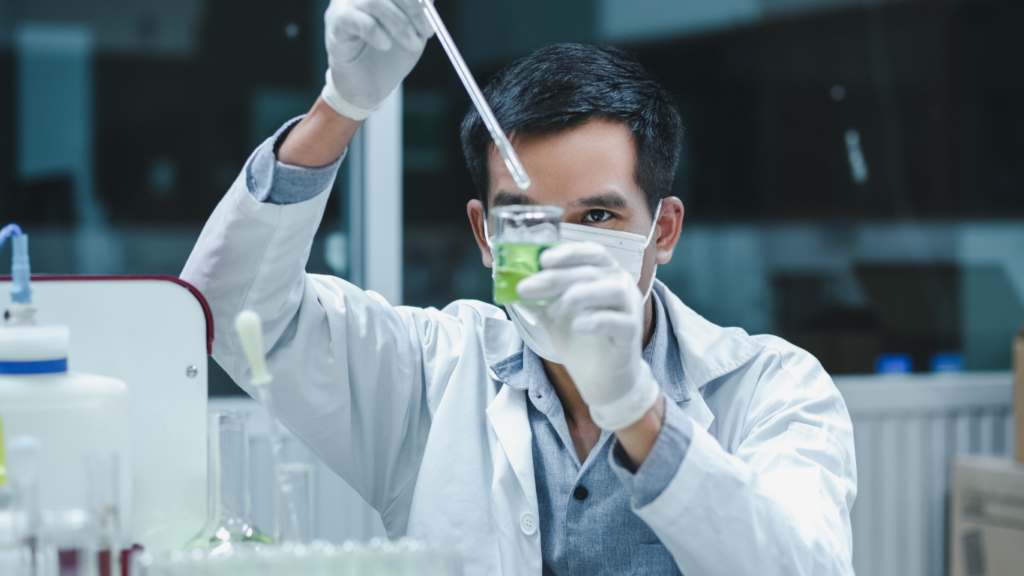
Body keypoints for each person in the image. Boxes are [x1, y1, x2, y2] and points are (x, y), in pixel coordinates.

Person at [181, 0, 857, 574]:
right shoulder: (430, 375)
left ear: (664, 230)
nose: (562, 254)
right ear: (485, 235)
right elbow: (228, 309)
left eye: (598, 216)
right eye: (528, 221)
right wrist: (342, 105)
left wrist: (636, 409)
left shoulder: (774, 389)